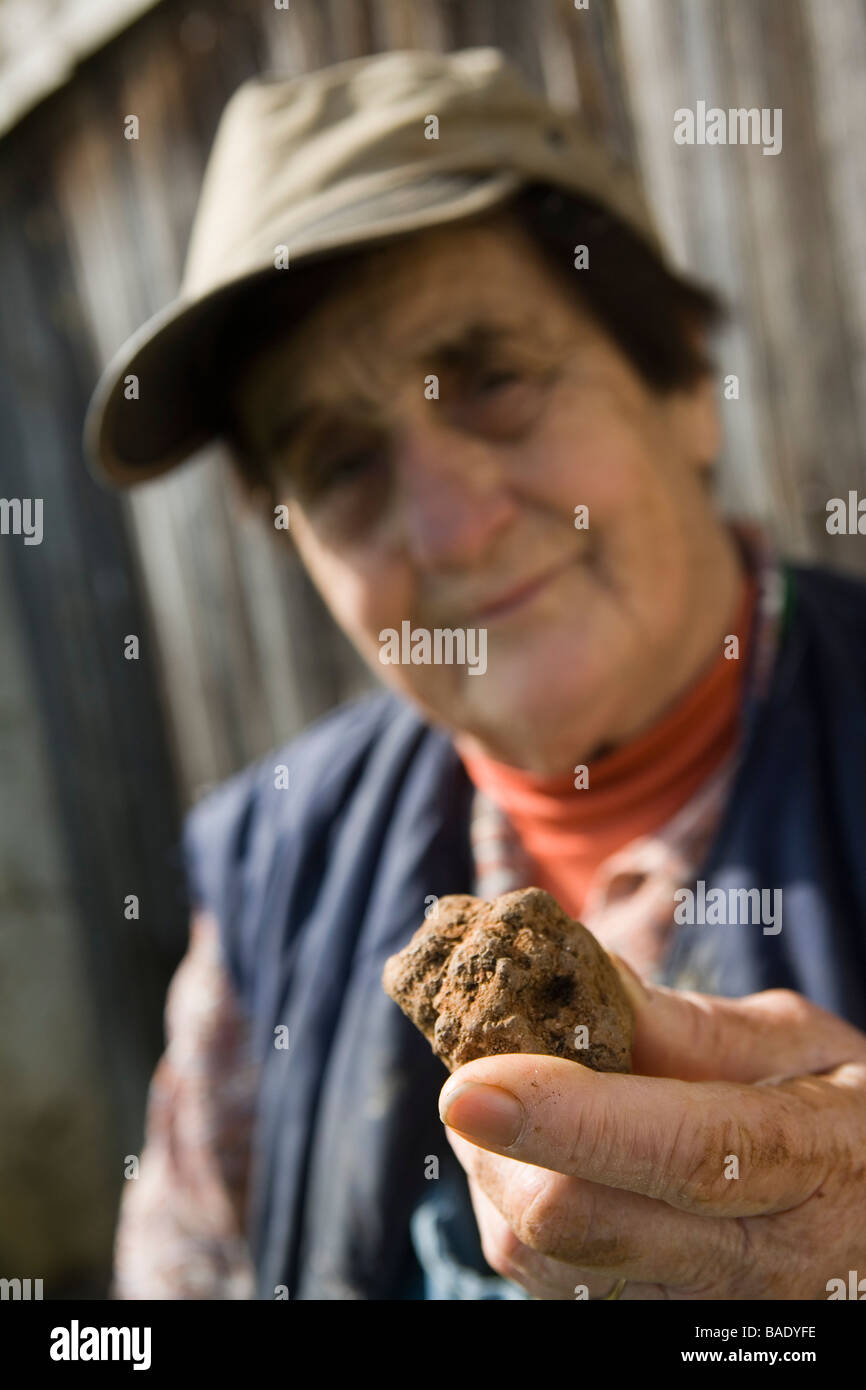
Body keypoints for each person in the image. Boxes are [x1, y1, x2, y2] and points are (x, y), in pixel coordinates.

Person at [85, 48, 866, 1302]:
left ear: (681, 387)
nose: (448, 527)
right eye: (338, 460)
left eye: (493, 375)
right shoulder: (273, 868)